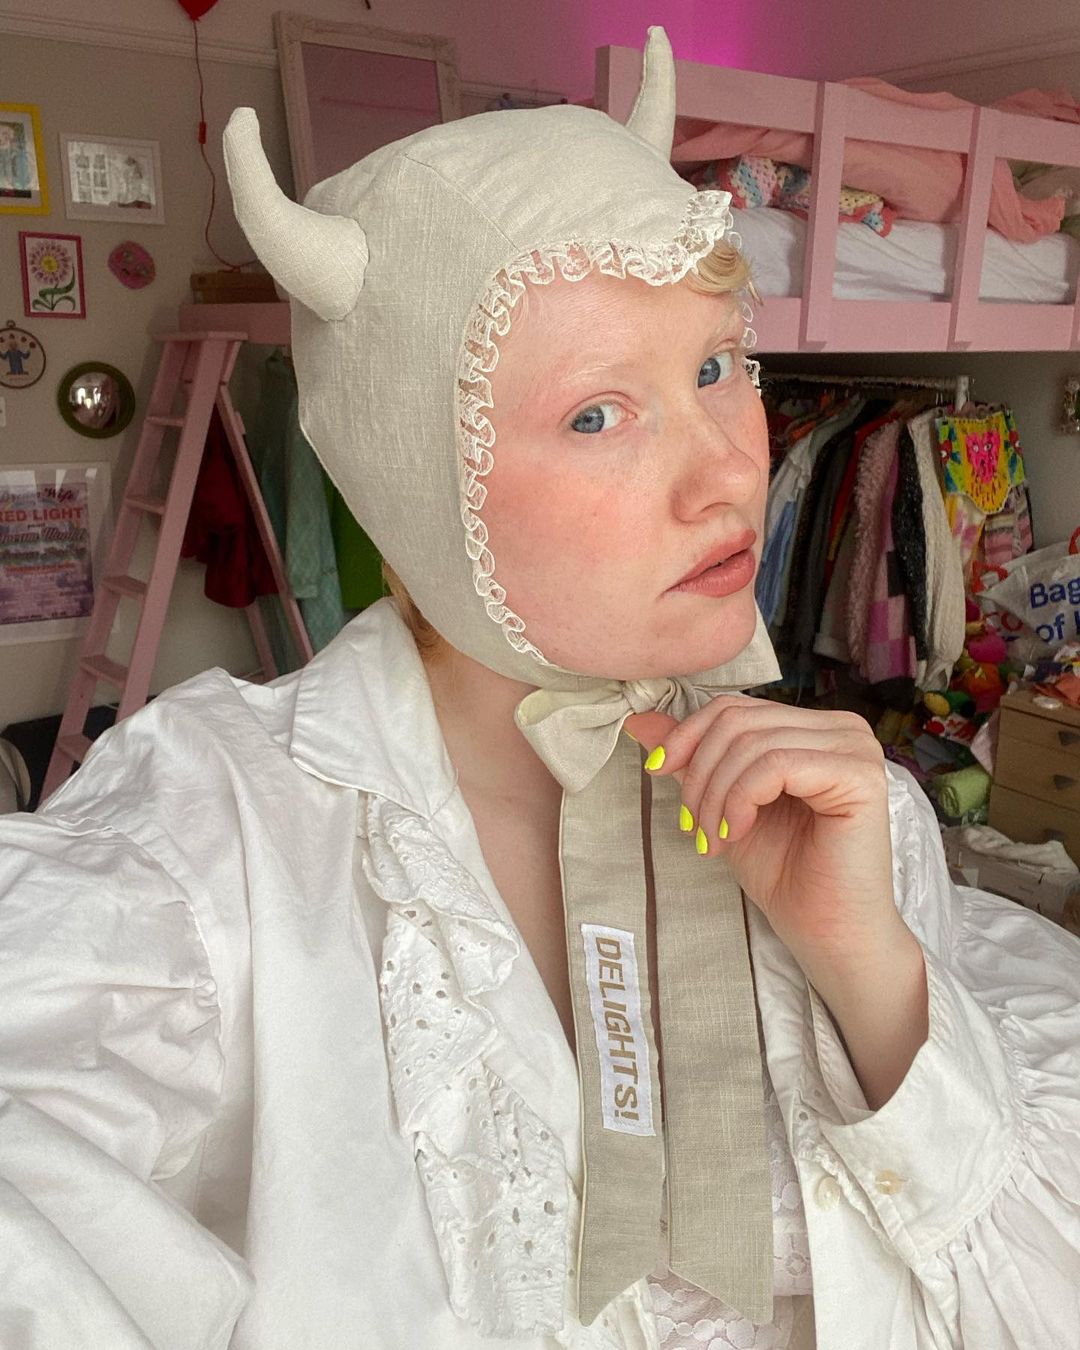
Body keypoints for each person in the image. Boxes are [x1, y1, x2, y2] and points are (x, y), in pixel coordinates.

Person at [2, 27, 1078, 1350]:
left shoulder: (850, 812)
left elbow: (1011, 1279)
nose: (727, 473)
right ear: (425, 475)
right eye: (596, 415)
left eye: (717, 366)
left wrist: (871, 972)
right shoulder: (217, 833)